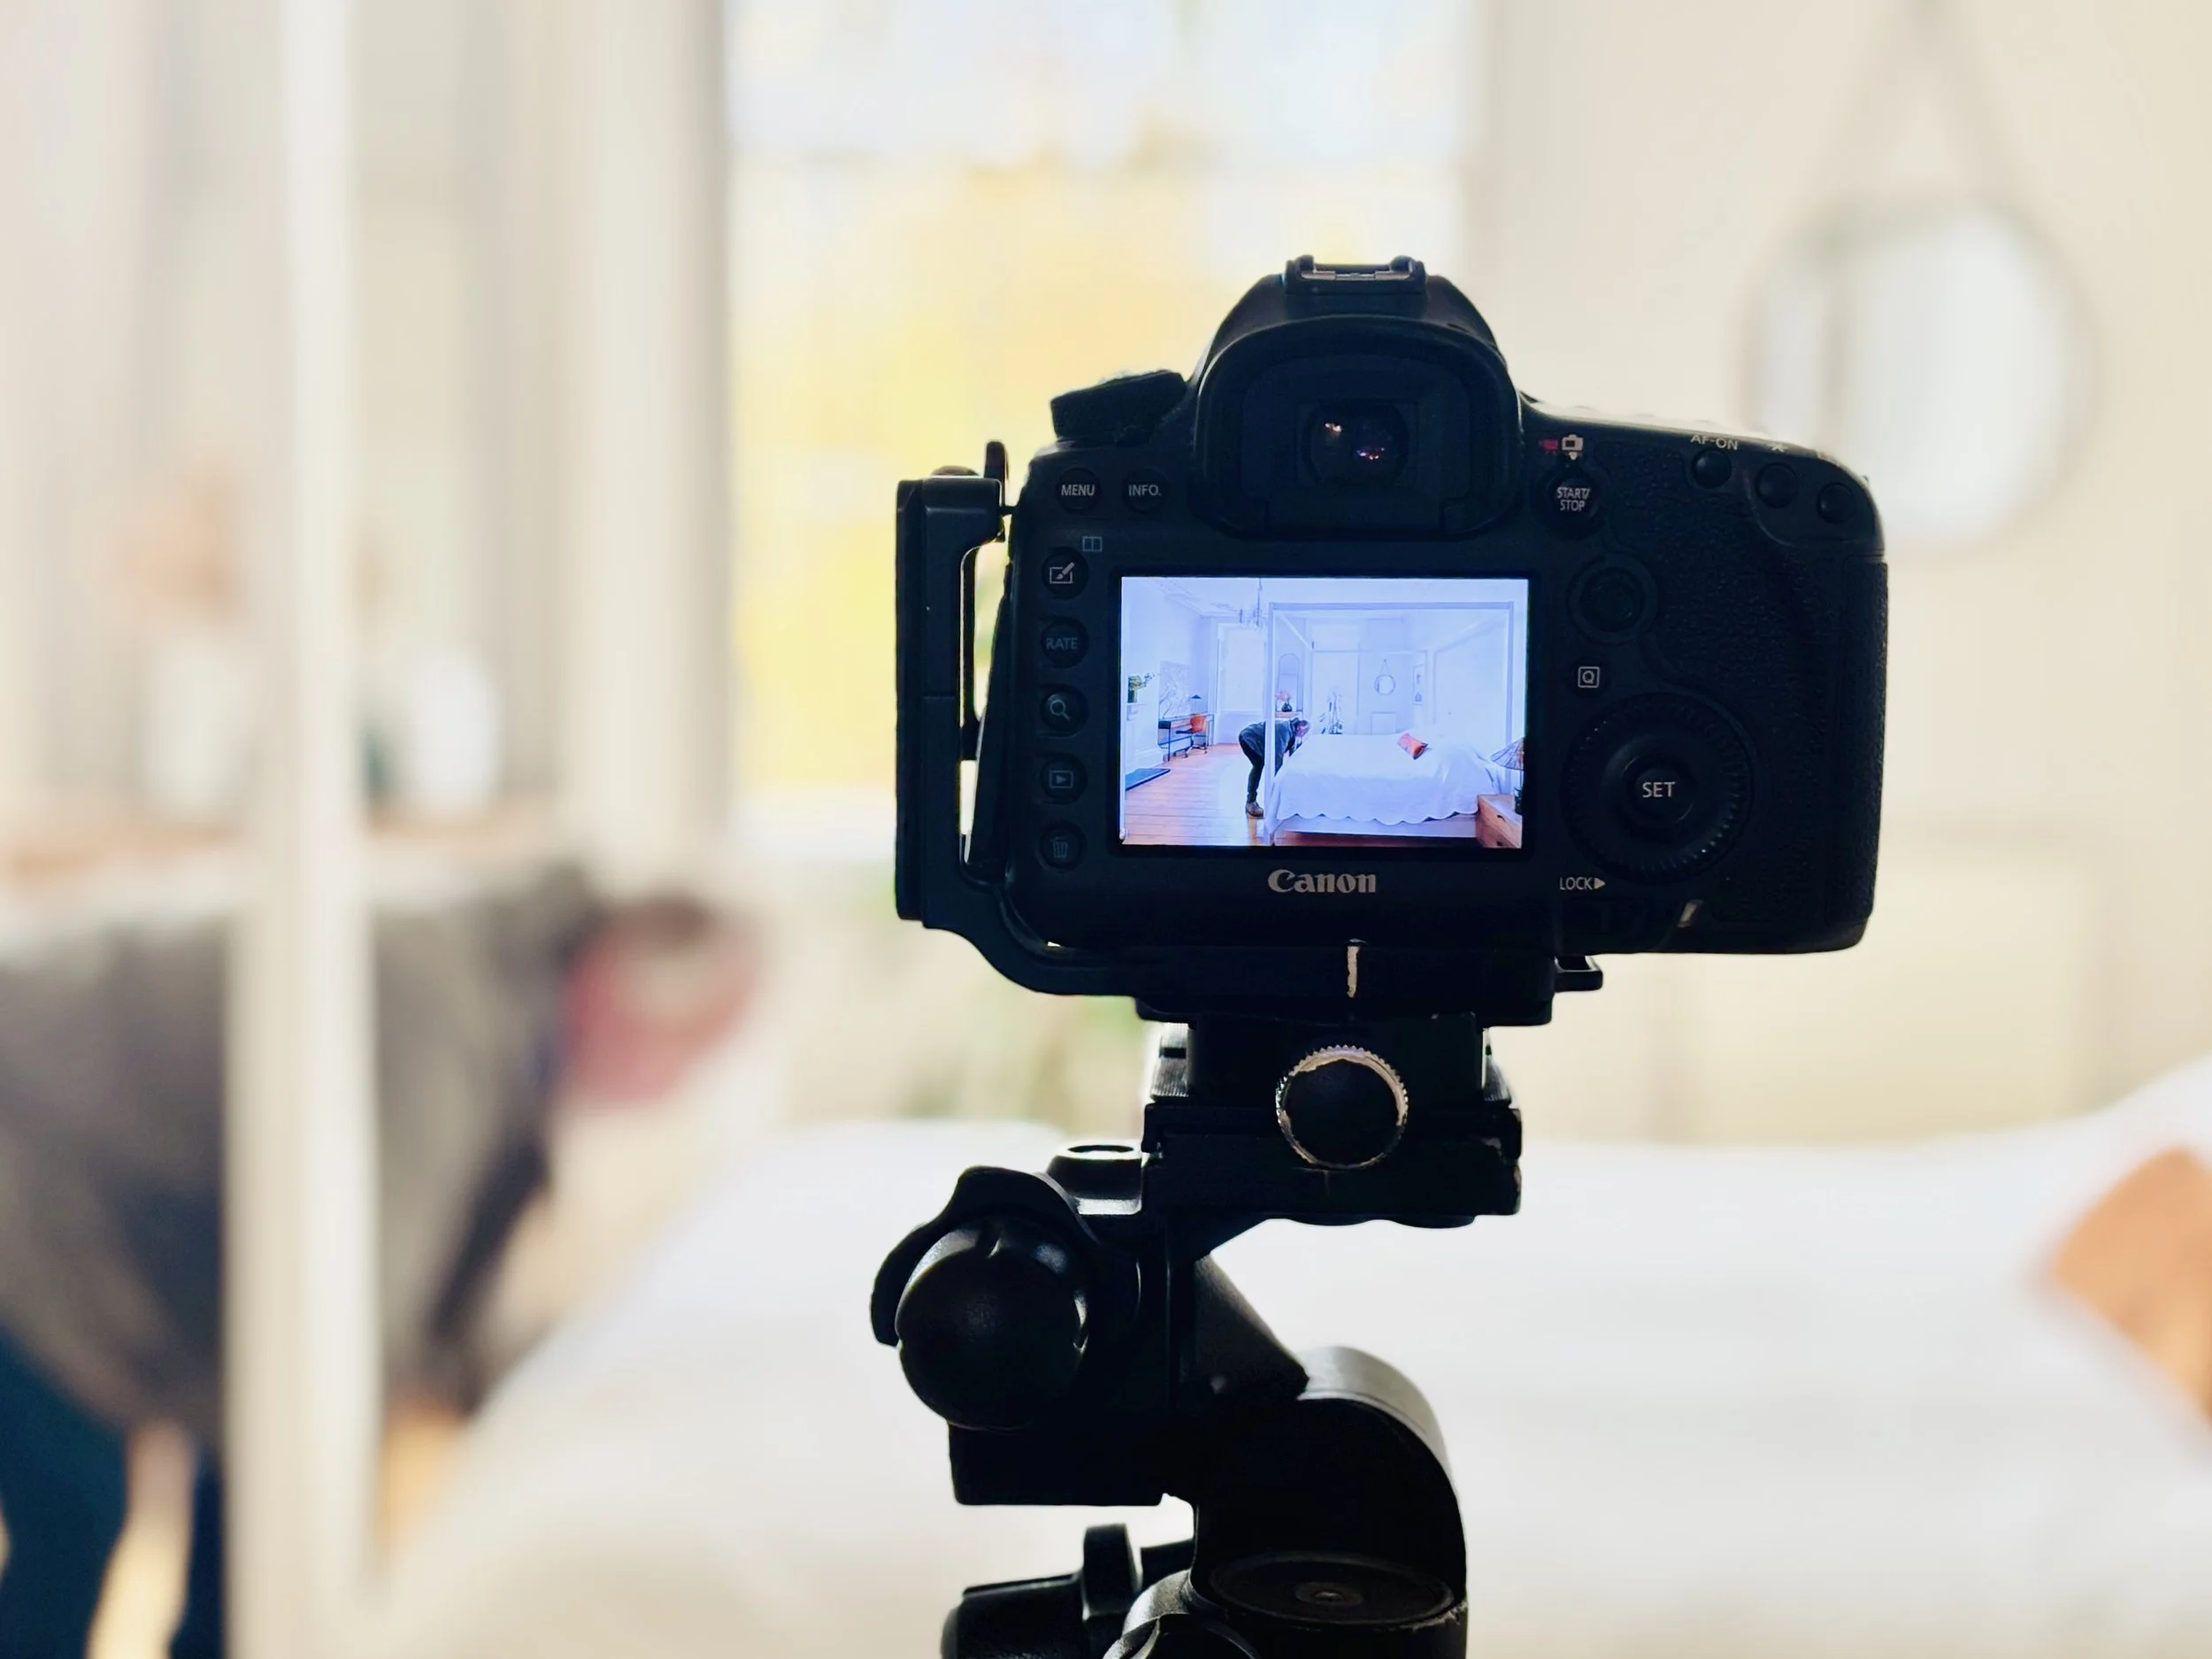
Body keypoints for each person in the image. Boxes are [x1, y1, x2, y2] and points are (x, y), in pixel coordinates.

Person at [0, 864, 753, 1659]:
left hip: (137, 1234)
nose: (672, 1090)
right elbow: (348, 1322)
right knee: (80, 1519)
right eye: (685, 1053)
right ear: (612, 991)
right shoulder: (437, 1016)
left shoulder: (506, 1016)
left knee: (225, 1517)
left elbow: (436, 1296)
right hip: (33, 1192)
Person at [1238, 716, 1310, 818]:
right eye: (1304, 732)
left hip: (1254, 737)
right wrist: (1278, 781)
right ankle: (1251, 802)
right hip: (1249, 737)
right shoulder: (1285, 730)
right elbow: (1277, 757)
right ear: (1300, 728)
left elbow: (1293, 754)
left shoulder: (1291, 731)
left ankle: (1255, 801)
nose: (1303, 735)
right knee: (1258, 765)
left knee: (1260, 765)